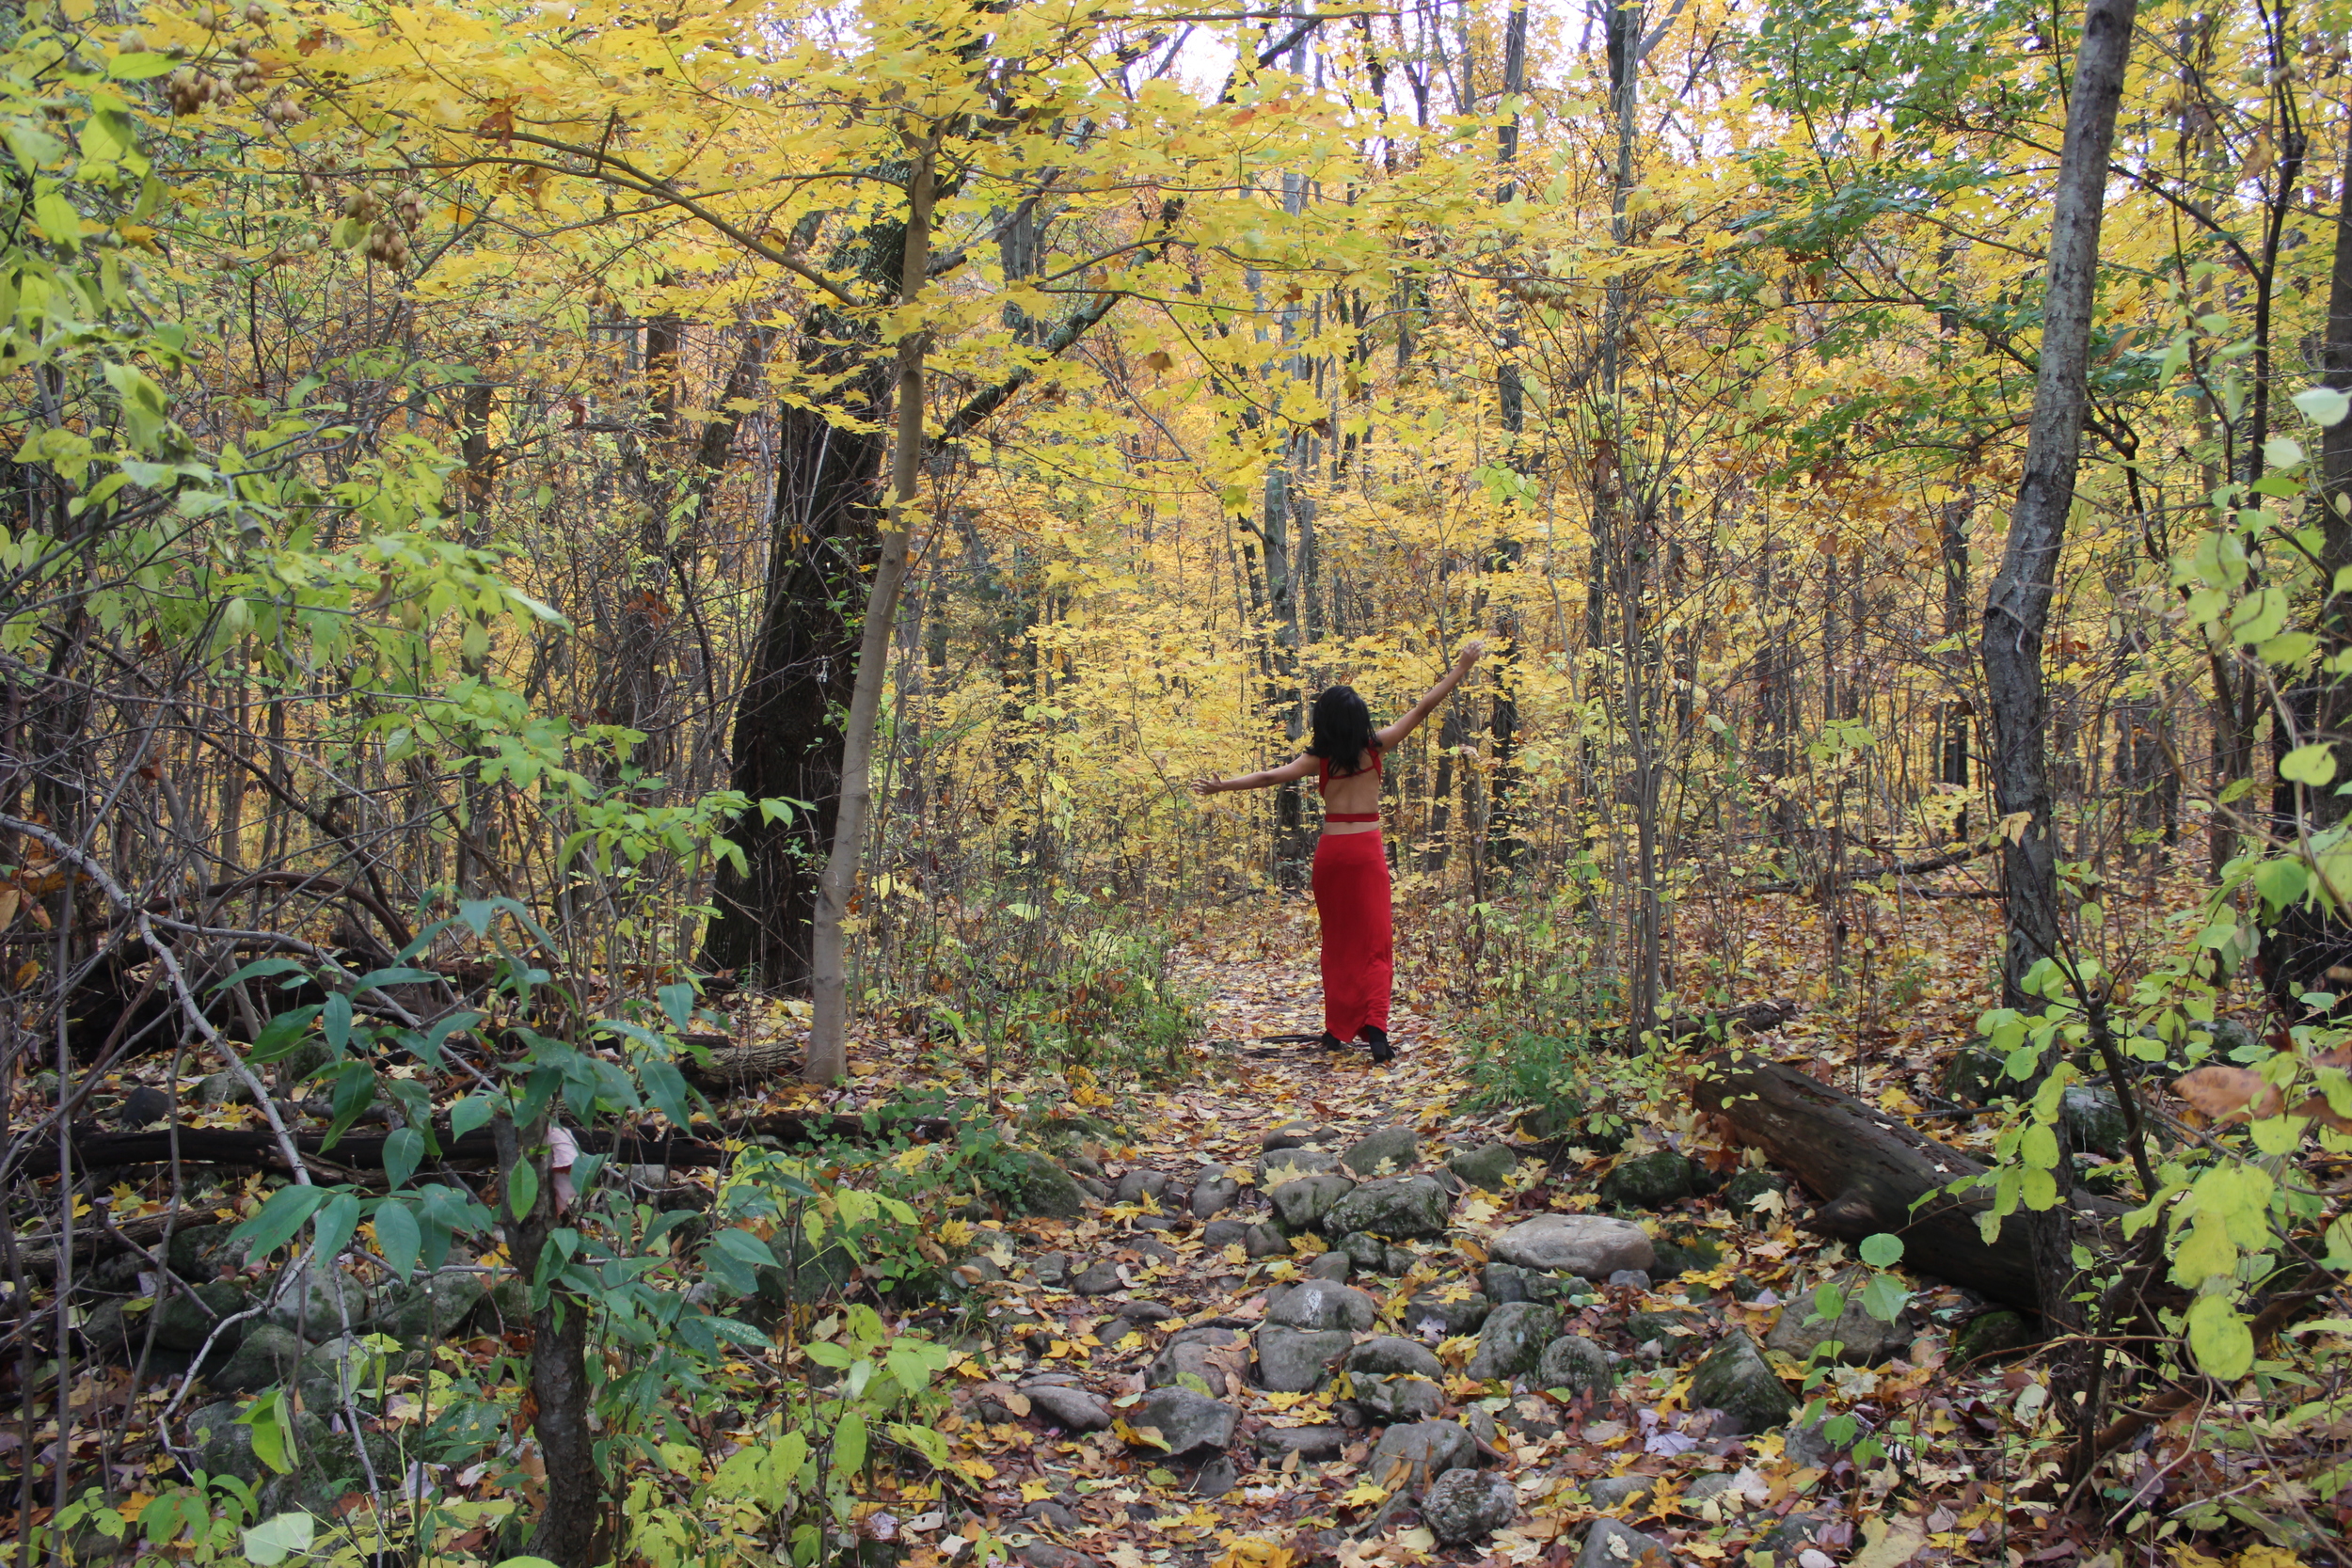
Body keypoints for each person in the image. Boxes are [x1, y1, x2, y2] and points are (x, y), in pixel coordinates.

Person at [1192, 639, 1487, 1063]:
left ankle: (1337, 1031)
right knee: (1375, 942)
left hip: (1332, 855)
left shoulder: (1319, 759)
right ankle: (1376, 1031)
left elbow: (1267, 777)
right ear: (1360, 720)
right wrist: (1461, 667)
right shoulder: (1377, 746)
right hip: (1365, 853)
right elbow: (1423, 708)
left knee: (1338, 943)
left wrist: (1222, 786)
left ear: (1325, 722)